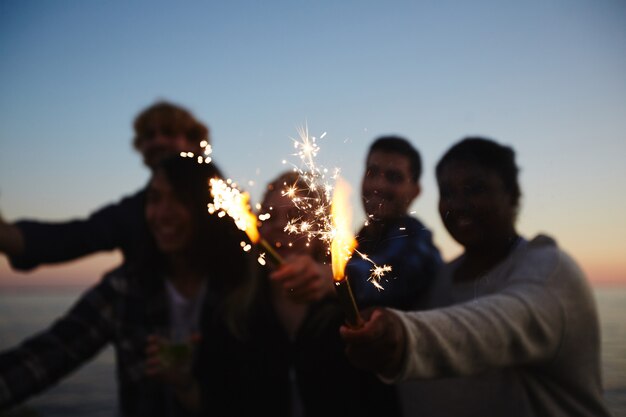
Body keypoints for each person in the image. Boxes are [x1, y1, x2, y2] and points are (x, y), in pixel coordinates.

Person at [340, 137, 611, 417]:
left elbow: (495, 327)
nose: (459, 204)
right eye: (447, 192)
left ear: (512, 194)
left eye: (476, 189)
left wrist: (401, 335)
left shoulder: (549, 271)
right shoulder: (437, 281)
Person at [0, 156, 256, 416]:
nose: (163, 214)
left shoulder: (243, 289)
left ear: (209, 206)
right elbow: (51, 353)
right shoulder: (127, 288)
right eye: (154, 199)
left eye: (180, 199)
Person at [197, 171, 401, 417]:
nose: (282, 226)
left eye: (297, 216)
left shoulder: (352, 309)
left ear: (319, 234)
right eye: (270, 216)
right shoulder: (233, 314)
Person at [0, 100, 210, 271]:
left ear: (194, 141)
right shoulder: (132, 212)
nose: (157, 142)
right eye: (148, 136)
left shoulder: (229, 204)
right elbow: (73, 238)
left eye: (169, 132)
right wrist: (7, 235)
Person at [346, 135, 442, 311]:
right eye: (371, 173)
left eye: (394, 177)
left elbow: (393, 275)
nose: (378, 185)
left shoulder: (417, 243)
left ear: (415, 191)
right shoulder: (359, 242)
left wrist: (335, 278)